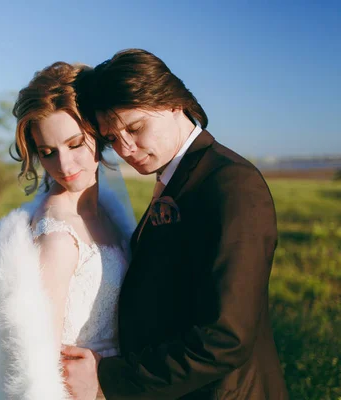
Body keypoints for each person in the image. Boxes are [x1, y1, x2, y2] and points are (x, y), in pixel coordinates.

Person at [61, 49, 289, 399]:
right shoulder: (178, 176)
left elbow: (226, 337)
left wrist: (109, 379)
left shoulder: (231, 183)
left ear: (173, 103)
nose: (126, 147)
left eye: (135, 127)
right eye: (111, 138)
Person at [0, 62, 136, 399]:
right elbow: (38, 363)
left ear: (97, 133)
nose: (64, 166)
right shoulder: (57, 236)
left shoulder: (109, 214)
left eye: (74, 144)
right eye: (48, 152)